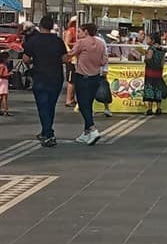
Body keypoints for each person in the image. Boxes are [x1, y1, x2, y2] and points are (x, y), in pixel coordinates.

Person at [22, 16, 67, 147]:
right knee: (51, 105)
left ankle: (48, 134)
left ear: (40, 26)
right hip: (56, 76)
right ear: (52, 26)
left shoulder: (33, 41)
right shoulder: (58, 41)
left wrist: (32, 63)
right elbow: (64, 58)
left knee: (42, 105)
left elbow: (25, 58)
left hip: (40, 76)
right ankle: (46, 130)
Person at [65, 23, 107, 145]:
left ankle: (92, 129)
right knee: (88, 104)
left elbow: (70, 54)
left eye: (80, 31)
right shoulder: (100, 43)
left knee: (83, 105)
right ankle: (86, 132)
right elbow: (104, 60)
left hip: (82, 77)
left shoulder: (81, 43)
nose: (78, 34)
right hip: (95, 77)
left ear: (86, 32)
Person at [143, 32, 167, 115]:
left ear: (153, 40)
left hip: (150, 72)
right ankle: (158, 108)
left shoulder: (151, 48)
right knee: (158, 89)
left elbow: (149, 58)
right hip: (158, 72)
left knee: (149, 89)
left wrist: (145, 57)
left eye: (148, 39)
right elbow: (162, 62)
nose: (146, 40)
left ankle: (149, 108)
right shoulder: (162, 49)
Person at [95, 33, 113, 118]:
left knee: (104, 88)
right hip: (95, 69)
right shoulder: (84, 41)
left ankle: (106, 108)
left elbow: (105, 56)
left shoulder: (100, 41)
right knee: (102, 88)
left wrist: (105, 68)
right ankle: (106, 108)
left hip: (97, 69)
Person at [63, 15, 77, 107]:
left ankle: (73, 98)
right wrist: (77, 44)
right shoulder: (70, 31)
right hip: (71, 58)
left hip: (77, 58)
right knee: (71, 80)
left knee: (75, 80)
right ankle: (68, 99)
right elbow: (66, 43)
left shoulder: (77, 31)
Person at [0, 51, 10, 116]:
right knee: (4, 96)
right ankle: (5, 110)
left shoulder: (4, 65)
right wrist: (8, 74)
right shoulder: (2, 66)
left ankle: (2, 109)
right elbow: (0, 74)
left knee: (2, 96)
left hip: (4, 81)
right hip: (3, 81)